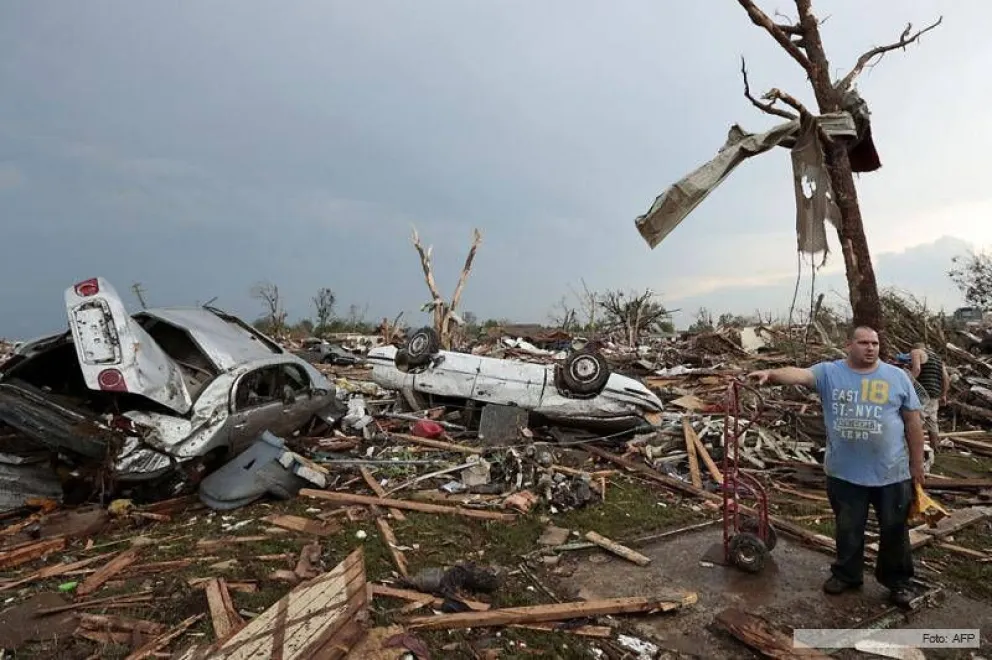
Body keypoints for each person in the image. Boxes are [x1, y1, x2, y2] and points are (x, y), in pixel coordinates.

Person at [749, 326, 926, 608]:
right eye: (863, 342)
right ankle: (847, 575)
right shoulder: (830, 373)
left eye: (875, 343)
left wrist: (917, 464)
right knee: (848, 528)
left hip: (891, 473)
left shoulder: (897, 377)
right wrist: (772, 375)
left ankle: (898, 582)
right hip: (845, 473)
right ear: (849, 345)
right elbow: (800, 373)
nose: (870, 348)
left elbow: (913, 423)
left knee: (894, 530)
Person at [896, 343, 949, 452]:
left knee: (915, 421)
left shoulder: (916, 352)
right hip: (935, 394)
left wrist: (906, 384)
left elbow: (917, 369)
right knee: (932, 422)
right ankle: (935, 449)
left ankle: (912, 450)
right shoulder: (937, 358)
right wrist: (944, 394)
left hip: (922, 394)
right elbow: (946, 377)